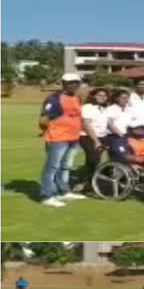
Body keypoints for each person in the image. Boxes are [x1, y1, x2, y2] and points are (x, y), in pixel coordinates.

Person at [38, 73, 87, 207]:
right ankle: (46, 195)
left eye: (76, 83)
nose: (73, 85)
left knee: (65, 166)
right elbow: (43, 120)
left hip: (73, 137)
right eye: (70, 82)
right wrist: (47, 130)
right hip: (58, 138)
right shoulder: (54, 99)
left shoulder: (76, 98)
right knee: (52, 167)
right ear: (63, 83)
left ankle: (63, 191)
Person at [79, 87, 110, 189]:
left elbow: (108, 124)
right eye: (100, 95)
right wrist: (96, 141)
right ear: (93, 96)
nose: (103, 97)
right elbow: (86, 125)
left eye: (105, 96)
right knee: (93, 160)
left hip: (102, 136)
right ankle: (86, 182)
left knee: (101, 160)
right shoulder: (88, 107)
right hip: (88, 137)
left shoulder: (104, 108)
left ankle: (92, 181)